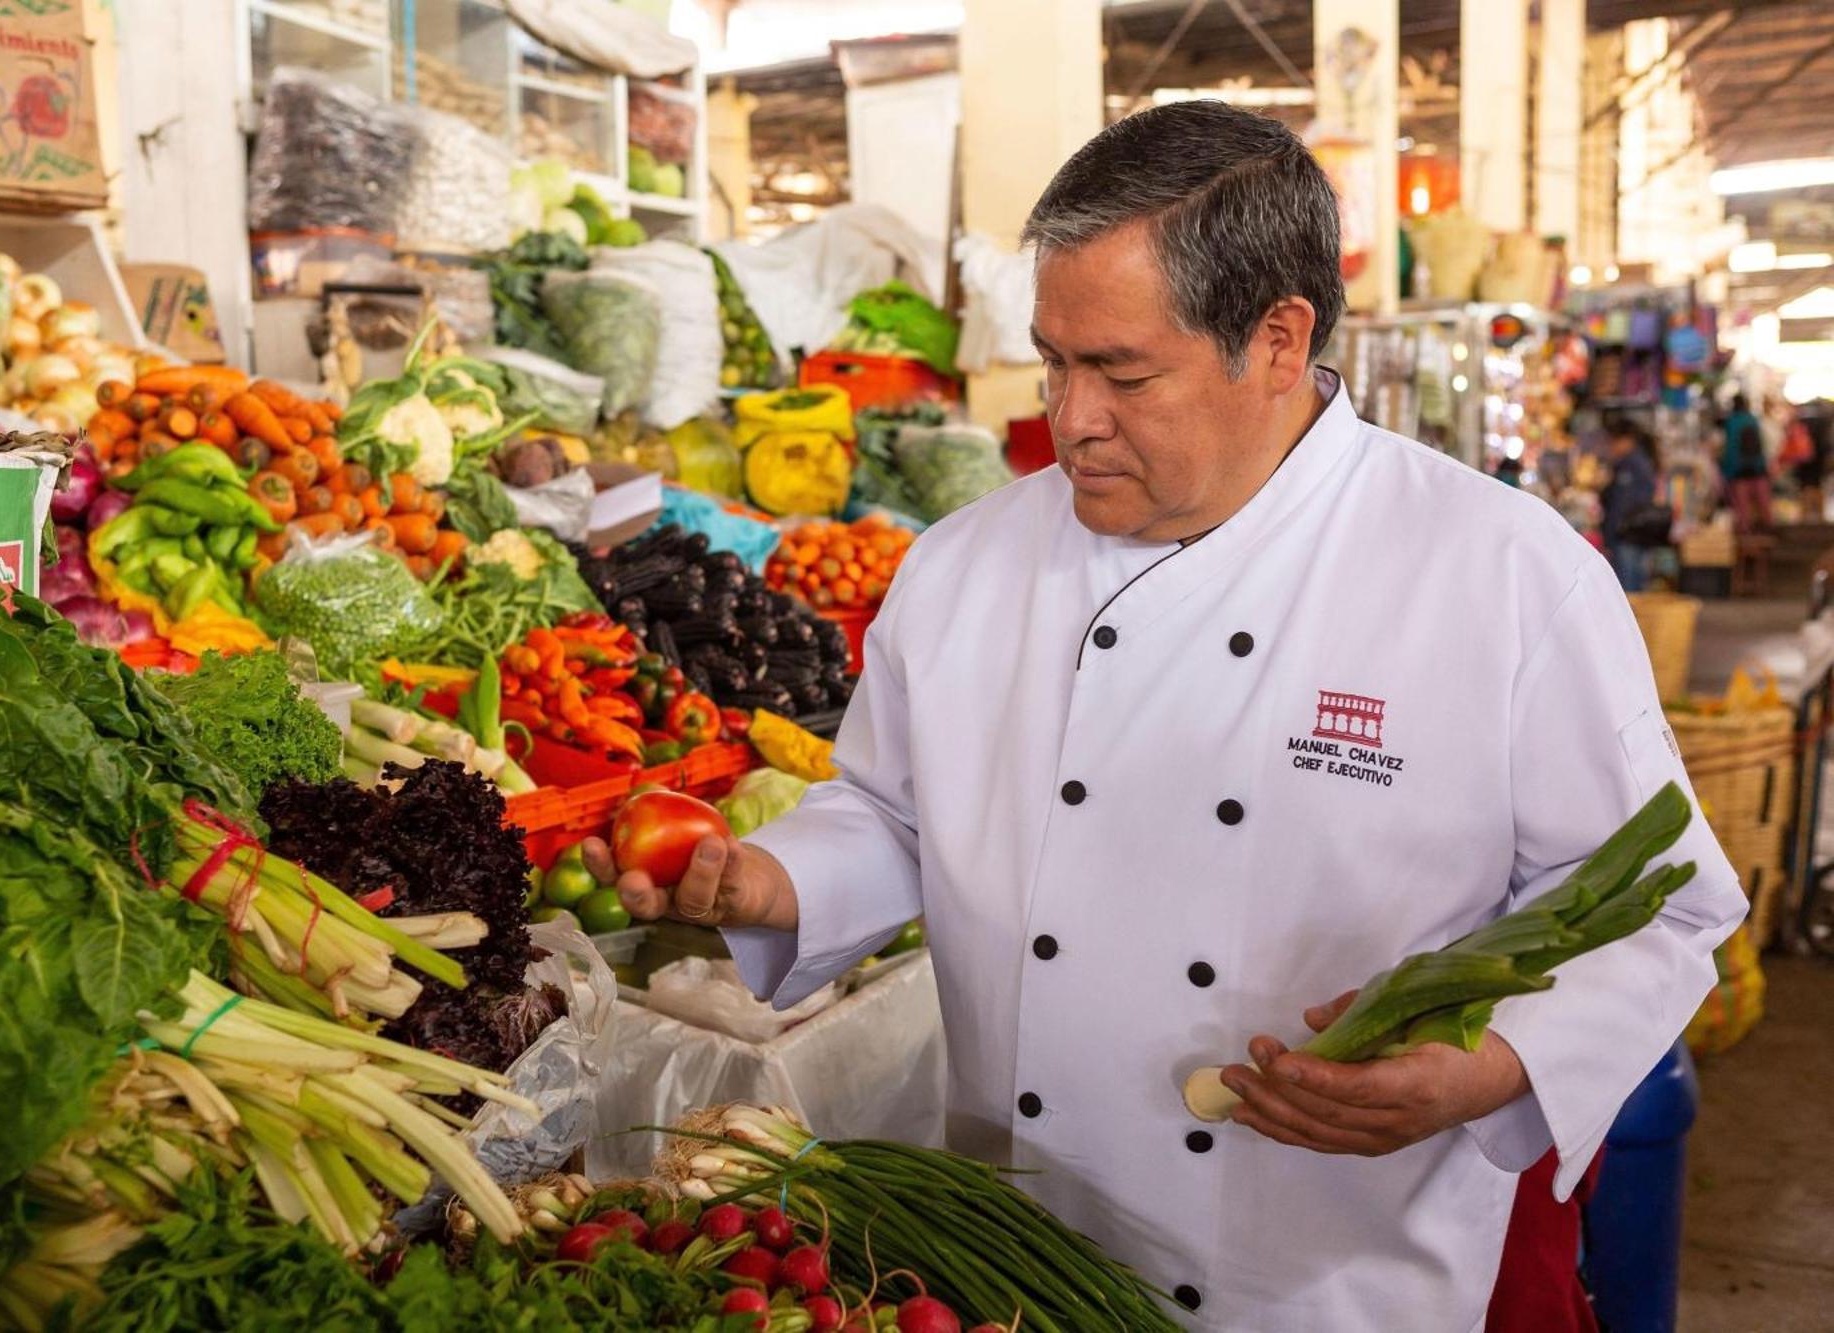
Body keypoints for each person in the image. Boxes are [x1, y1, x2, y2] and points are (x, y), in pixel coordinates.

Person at [587, 102, 1743, 1331]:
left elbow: (1661, 903)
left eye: (1121, 372)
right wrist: (768, 883)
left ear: (1278, 340)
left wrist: (1489, 1070)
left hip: (1326, 1280)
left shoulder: (1499, 575)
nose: (1068, 416)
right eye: (1053, 360)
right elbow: (889, 812)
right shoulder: (964, 565)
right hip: (1012, 1259)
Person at [1599, 421, 1661, 591]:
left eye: (1613, 441)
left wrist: (1610, 534)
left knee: (1628, 589)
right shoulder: (1634, 463)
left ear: (1627, 440)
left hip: (1627, 535)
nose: (1610, 447)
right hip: (1632, 534)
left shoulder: (1632, 465)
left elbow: (1622, 505)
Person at [1720, 393, 1771, 532]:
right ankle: (1769, 531)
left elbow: (1731, 449)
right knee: (1763, 504)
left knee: (1742, 508)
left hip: (1739, 471)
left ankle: (1746, 536)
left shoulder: (1731, 422)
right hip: (1758, 468)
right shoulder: (1753, 420)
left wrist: (1727, 471)